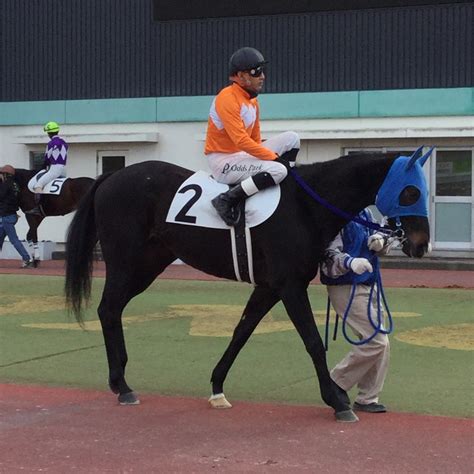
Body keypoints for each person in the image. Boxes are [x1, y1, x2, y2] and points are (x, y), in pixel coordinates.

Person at [205, 46, 300, 226]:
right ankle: (226, 199)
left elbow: (255, 141)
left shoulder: (252, 101)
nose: (262, 76)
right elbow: (241, 141)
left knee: (292, 138)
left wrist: (270, 158)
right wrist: (274, 159)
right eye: (256, 72)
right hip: (223, 162)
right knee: (278, 169)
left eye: (262, 71)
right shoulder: (227, 98)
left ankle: (284, 183)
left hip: (241, 156)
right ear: (241, 76)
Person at [320, 208, 395, 413]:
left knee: (381, 343)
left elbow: (380, 235)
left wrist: (380, 240)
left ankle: (368, 397)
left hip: (370, 283)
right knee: (377, 340)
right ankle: (336, 381)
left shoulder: (365, 214)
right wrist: (350, 262)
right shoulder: (334, 215)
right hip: (345, 286)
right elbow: (326, 255)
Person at [0, 165, 34, 268]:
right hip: (12, 215)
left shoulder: (5, 185)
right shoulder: (15, 185)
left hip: (6, 216)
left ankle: (26, 258)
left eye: (1, 173)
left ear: (5, 174)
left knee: (13, 240)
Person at [28, 121, 68, 194]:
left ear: (49, 133)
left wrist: (43, 166)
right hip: (63, 169)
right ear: (57, 131)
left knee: (38, 185)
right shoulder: (64, 142)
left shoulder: (51, 143)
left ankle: (39, 204)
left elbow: (47, 158)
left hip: (54, 169)